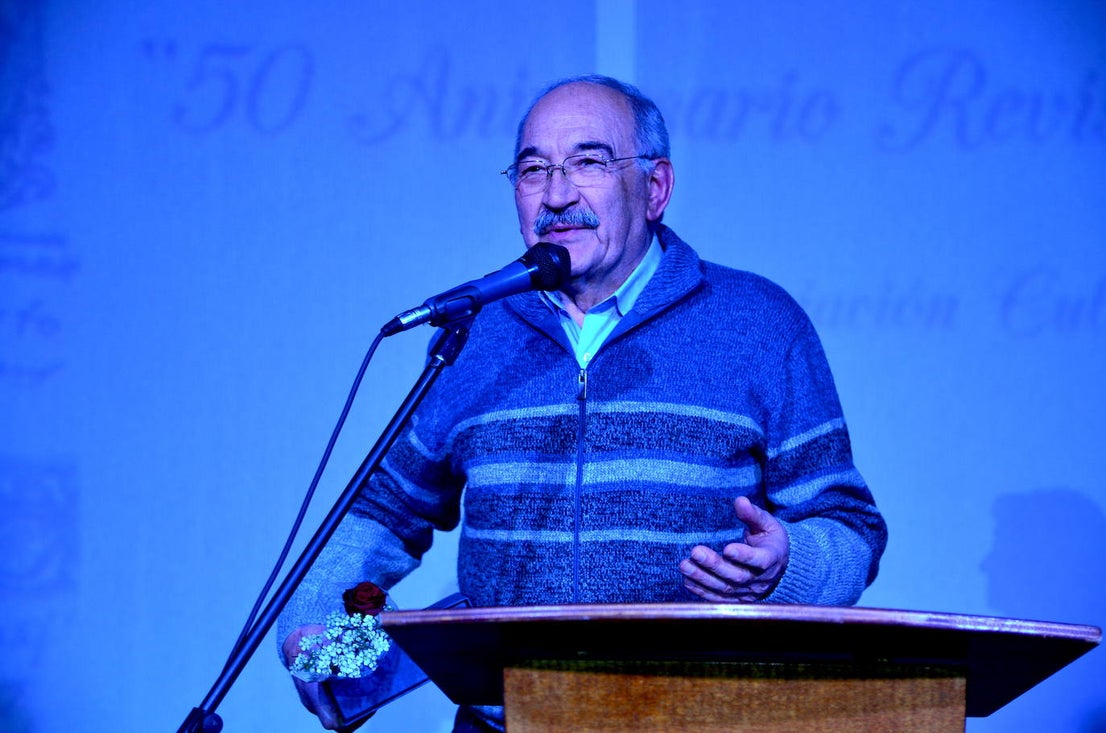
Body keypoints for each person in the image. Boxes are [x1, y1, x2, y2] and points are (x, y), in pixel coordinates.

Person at [278, 74, 888, 732]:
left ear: (655, 188)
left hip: (700, 721)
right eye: (533, 169)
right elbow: (380, 512)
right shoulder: (478, 333)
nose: (557, 194)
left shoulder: (758, 323)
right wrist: (320, 625)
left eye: (589, 162)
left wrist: (786, 566)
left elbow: (848, 527)